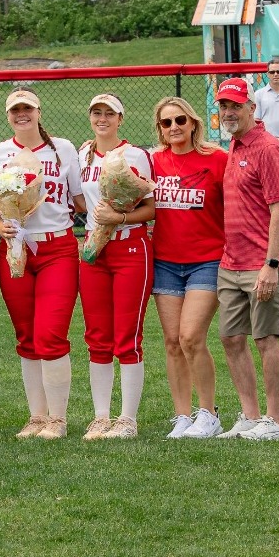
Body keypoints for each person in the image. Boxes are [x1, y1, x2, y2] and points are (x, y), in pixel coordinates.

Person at [0, 88, 86, 440]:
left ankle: (57, 419)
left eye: (27, 108)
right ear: (8, 115)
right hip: (15, 249)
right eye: (15, 110)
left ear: (39, 112)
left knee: (51, 334)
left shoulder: (63, 148)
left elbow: (79, 199)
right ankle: (36, 416)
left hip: (56, 247)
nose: (22, 115)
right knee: (26, 335)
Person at [212, 77, 279, 441]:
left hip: (262, 263)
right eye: (224, 106)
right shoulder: (233, 145)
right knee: (231, 338)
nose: (229, 112)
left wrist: (271, 265)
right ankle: (249, 416)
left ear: (251, 108)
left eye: (235, 106)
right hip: (230, 262)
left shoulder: (267, 148)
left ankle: (276, 422)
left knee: (266, 340)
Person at [75, 92, 156, 441]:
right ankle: (101, 416)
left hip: (129, 247)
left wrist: (119, 216)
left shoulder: (135, 154)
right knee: (97, 337)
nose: (102, 119)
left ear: (120, 118)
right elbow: (81, 199)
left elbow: (153, 208)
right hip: (95, 251)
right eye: (97, 112)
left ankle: (127, 418)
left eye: (110, 113)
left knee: (127, 336)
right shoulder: (84, 153)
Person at [149, 96, 228, 440]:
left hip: (208, 259)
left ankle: (208, 413)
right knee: (171, 341)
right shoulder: (152, 162)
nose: (174, 128)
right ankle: (182, 415)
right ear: (160, 130)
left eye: (180, 120)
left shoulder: (217, 159)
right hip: (165, 261)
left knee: (191, 337)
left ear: (193, 122)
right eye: (166, 123)